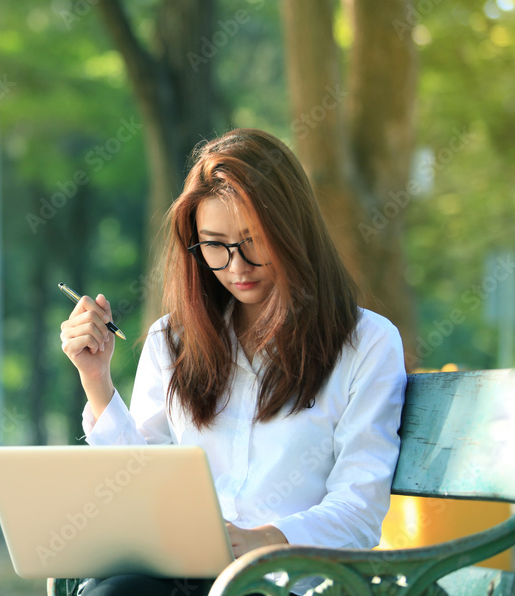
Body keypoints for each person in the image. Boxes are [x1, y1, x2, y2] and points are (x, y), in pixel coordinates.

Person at [58, 128, 407, 596]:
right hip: (183, 573)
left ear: (293, 228)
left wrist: (263, 541)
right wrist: (95, 378)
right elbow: (137, 484)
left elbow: (359, 509)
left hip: (294, 582)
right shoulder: (172, 339)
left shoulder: (367, 343)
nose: (237, 266)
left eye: (253, 240)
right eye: (215, 245)